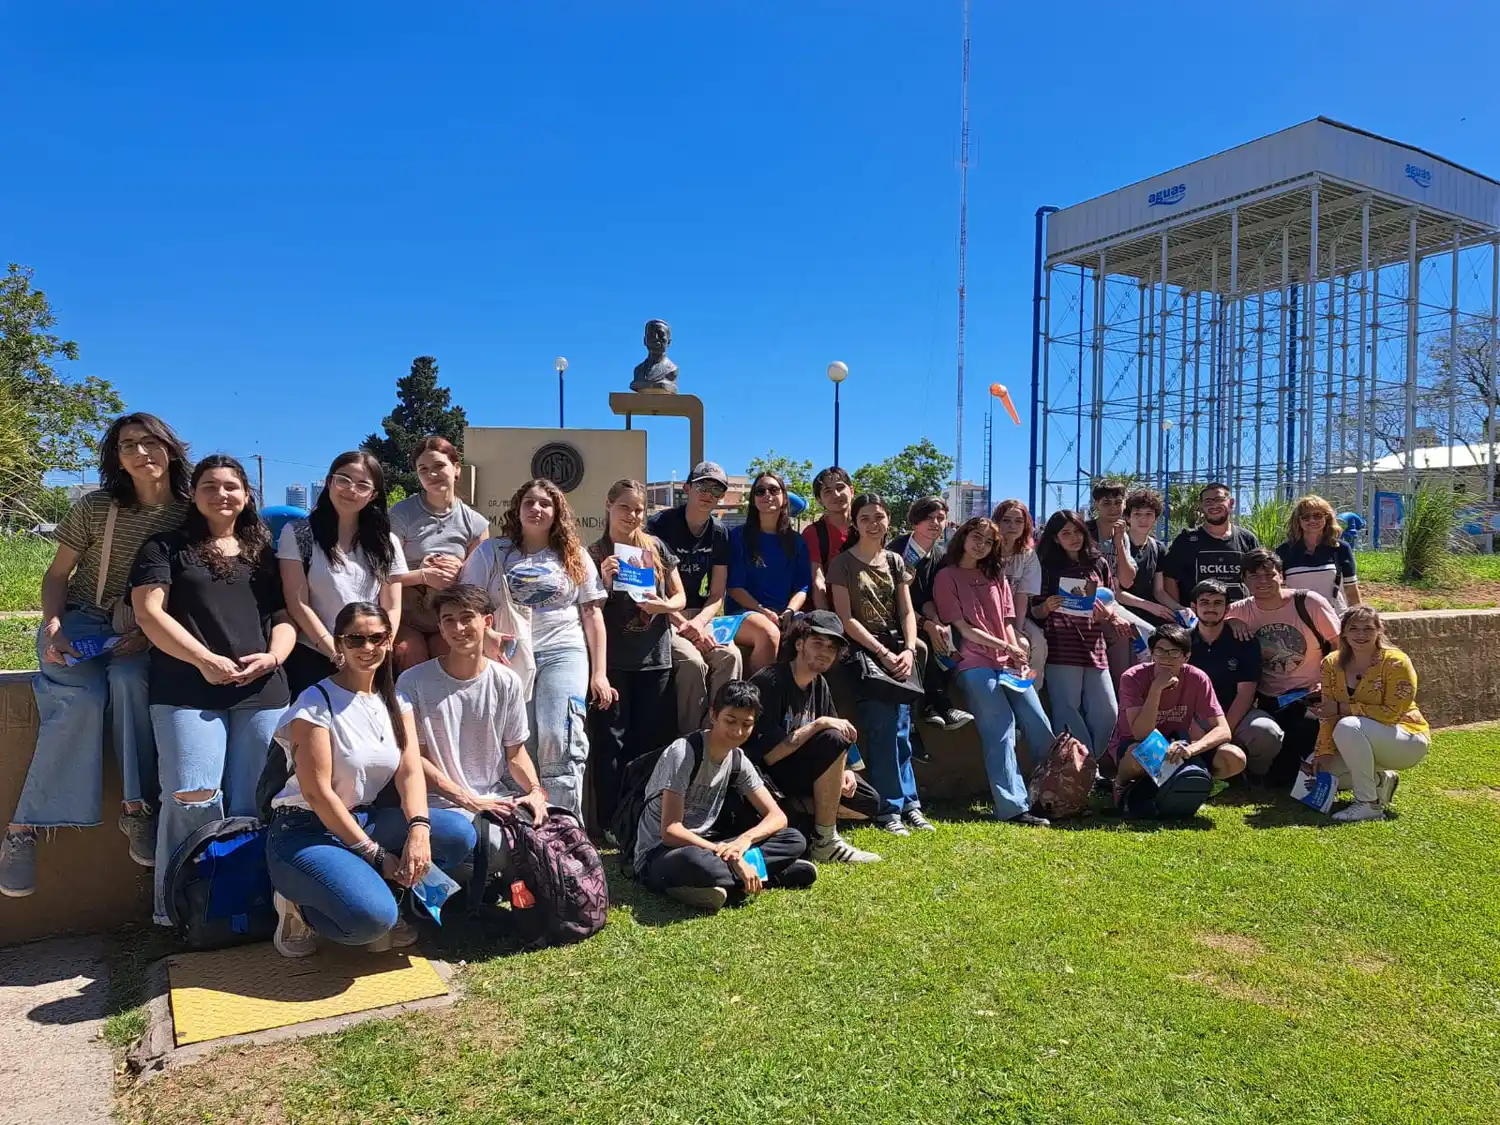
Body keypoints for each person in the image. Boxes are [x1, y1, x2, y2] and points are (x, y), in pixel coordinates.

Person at [0, 414, 191, 899]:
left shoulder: (190, 514)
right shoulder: (96, 507)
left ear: (170, 449)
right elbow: (57, 574)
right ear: (116, 458)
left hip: (148, 626)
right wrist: (55, 624)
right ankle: (22, 831)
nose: (141, 452)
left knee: (132, 683)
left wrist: (148, 636)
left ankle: (137, 809)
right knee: (80, 698)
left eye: (151, 442)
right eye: (128, 445)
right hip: (82, 619)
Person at [130, 455, 297, 923]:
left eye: (231, 486)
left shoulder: (262, 551)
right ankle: (180, 909)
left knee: (253, 801)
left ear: (246, 495)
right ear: (194, 494)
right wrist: (203, 660)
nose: (221, 494)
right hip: (187, 689)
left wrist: (274, 656)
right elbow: (149, 614)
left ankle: (248, 907)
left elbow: (284, 618)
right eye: (210, 485)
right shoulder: (164, 547)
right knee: (194, 795)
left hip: (262, 690)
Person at [265, 602, 476, 958]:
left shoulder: (396, 702)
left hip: (362, 819)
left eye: (376, 638)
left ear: (389, 641)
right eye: (356, 639)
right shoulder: (315, 703)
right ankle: (301, 905)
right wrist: (376, 855)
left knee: (456, 834)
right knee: (370, 921)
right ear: (339, 644)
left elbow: (410, 770)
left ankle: (380, 891)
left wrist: (419, 829)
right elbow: (317, 794)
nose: (367, 648)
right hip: (305, 830)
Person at [459, 478, 610, 821]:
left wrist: (599, 672)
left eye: (545, 503)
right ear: (517, 508)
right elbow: (465, 603)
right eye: (529, 502)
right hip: (509, 654)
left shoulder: (574, 555)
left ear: (557, 513)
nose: (536, 509)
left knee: (561, 736)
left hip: (563, 650)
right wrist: (487, 637)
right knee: (519, 741)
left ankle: (564, 828)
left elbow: (592, 613)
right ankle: (525, 826)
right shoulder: (491, 552)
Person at [397, 584, 549, 880]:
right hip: (438, 804)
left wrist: (534, 791)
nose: (458, 628)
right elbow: (415, 759)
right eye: (448, 620)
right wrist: (468, 800)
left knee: (549, 827)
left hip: (493, 798)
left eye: (467, 617)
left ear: (487, 622)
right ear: (439, 627)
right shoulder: (413, 682)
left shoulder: (506, 681)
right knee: (493, 848)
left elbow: (516, 754)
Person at [633, 680, 817, 913]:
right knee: (695, 862)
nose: (737, 732)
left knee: (794, 839)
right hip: (664, 852)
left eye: (746, 724)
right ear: (713, 715)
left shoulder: (738, 759)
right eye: (730, 721)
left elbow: (777, 817)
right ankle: (765, 874)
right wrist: (728, 856)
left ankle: (721, 883)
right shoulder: (684, 752)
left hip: (714, 846)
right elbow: (671, 831)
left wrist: (743, 842)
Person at [933, 517, 1054, 826]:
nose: (981, 545)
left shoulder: (996, 575)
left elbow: (1009, 622)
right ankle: (1012, 807)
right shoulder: (946, 576)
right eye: (977, 536)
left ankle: (1051, 795)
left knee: (1038, 723)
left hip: (1008, 663)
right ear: (963, 536)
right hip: (973, 663)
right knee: (1000, 727)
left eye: (988, 542)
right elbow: (963, 628)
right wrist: (1004, 645)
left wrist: (1018, 653)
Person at [827, 493, 933, 836]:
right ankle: (889, 809)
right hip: (865, 653)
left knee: (902, 730)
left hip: (897, 650)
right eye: (866, 518)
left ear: (889, 520)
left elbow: (906, 611)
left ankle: (911, 803)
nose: (874, 523)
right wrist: (883, 653)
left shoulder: (894, 561)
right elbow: (845, 619)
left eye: (879, 516)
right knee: (882, 728)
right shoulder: (842, 564)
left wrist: (908, 651)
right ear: (855, 525)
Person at [746, 612, 882, 864]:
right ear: (799, 644)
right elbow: (770, 755)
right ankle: (825, 840)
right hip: (768, 778)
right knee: (830, 735)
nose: (825, 652)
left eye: (832, 648)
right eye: (817, 643)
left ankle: (799, 815)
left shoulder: (819, 685)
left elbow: (839, 740)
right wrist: (818, 724)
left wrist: (845, 771)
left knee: (868, 802)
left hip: (804, 775)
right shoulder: (771, 681)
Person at [588, 479, 686, 829]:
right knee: (610, 746)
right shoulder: (595, 552)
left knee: (652, 745)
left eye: (639, 509)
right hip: (613, 664)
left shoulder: (656, 547)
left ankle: (647, 818)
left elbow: (680, 598)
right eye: (625, 507)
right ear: (609, 505)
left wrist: (664, 606)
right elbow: (586, 607)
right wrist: (602, 581)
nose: (632, 515)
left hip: (655, 659)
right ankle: (610, 822)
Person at [278, 451, 406, 697]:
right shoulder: (298, 533)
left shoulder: (386, 543)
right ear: (329, 482)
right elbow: (298, 603)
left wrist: (379, 646)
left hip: (370, 657)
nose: (351, 490)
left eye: (362, 485)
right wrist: (336, 652)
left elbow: (392, 605)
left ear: (373, 495)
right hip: (315, 656)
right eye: (343, 480)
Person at [647, 461, 759, 732]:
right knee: (693, 662)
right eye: (702, 486)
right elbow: (648, 589)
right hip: (663, 615)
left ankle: (722, 731)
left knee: (730, 656)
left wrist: (698, 624)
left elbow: (717, 593)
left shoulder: (719, 533)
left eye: (716, 489)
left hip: (700, 616)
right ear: (687, 488)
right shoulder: (659, 525)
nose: (708, 493)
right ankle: (692, 738)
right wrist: (683, 624)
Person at [1226, 548, 1340, 781]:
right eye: (1254, 576)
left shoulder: (1308, 603)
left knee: (1307, 738)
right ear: (1244, 580)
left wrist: (1327, 684)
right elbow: (1206, 624)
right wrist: (1231, 622)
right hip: (1269, 700)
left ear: (1282, 575)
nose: (1263, 581)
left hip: (1310, 695)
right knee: (1278, 772)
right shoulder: (1239, 610)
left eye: (1269, 574)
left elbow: (1340, 646)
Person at [1313, 606, 1428, 823]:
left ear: (1379, 631)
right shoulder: (1331, 663)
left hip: (1405, 739)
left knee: (1347, 725)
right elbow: (1328, 712)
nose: (1361, 634)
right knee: (1320, 770)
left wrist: (1343, 709)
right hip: (1360, 736)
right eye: (1353, 628)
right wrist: (1323, 750)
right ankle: (1380, 780)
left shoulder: (1396, 662)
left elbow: (1392, 714)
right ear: (1344, 633)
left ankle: (1367, 804)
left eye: (1368, 628)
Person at [389, 436, 490, 671]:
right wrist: (423, 575)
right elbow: (382, 575)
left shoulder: (475, 524)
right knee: (408, 653)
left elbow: (479, 584)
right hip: (406, 616)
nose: (431, 474)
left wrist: (459, 572)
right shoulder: (401, 514)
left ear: (456, 469)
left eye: (438, 466)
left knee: (452, 658)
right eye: (423, 469)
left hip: (451, 617)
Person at [1108, 625, 1240, 790]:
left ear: (1186, 657)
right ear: (1152, 653)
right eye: (1160, 651)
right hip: (1136, 744)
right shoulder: (1132, 678)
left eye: (1174, 652)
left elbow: (1223, 730)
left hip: (1178, 743)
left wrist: (1190, 750)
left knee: (1234, 756)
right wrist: (1156, 689)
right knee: (1140, 753)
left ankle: (1198, 785)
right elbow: (1141, 734)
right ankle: (1121, 786)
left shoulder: (1197, 678)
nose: (1166, 658)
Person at [1030, 510, 1119, 757]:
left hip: (1094, 646)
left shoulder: (1098, 563)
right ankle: (1081, 769)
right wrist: (1046, 606)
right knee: (1067, 709)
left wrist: (1108, 613)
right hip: (1061, 646)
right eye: (1066, 533)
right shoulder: (1045, 567)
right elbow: (1033, 611)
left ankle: (1091, 763)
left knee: (1107, 711)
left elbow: (1111, 598)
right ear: (1056, 538)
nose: (1074, 537)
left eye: (1078, 531)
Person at [1187, 580, 1283, 781]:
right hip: (1194, 717)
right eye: (1204, 602)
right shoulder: (1182, 641)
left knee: (1267, 732)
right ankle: (1205, 774)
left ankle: (1254, 776)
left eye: (1217, 603)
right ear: (1193, 607)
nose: (1211, 608)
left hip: (1235, 713)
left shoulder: (1244, 641)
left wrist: (1223, 733)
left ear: (1227, 608)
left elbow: (1245, 693)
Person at [891, 496, 971, 731]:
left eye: (940, 518)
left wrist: (935, 622)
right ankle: (927, 708)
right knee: (923, 642)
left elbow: (929, 597)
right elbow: (894, 600)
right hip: (896, 616)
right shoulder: (897, 551)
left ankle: (941, 705)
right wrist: (926, 624)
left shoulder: (940, 556)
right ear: (916, 521)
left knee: (948, 636)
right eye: (929, 518)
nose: (935, 523)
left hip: (922, 615)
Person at [726, 472, 812, 661]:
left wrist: (789, 612)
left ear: (784, 497)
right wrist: (763, 610)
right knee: (770, 634)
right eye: (760, 491)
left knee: (814, 637)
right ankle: (759, 690)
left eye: (773, 489)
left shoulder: (797, 542)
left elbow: (802, 587)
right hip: (744, 614)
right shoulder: (738, 537)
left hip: (784, 612)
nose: (767, 495)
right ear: (753, 500)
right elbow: (734, 587)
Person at [1162, 483, 1260, 604]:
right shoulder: (1186, 540)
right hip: (1198, 618)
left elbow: (1257, 577)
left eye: (1219, 499)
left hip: (1238, 617)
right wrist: (1180, 612)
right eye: (1207, 501)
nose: (1213, 505)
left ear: (1231, 503)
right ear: (1201, 506)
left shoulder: (1247, 539)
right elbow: (1170, 579)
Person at [994, 499, 1048, 685]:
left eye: (1018, 521)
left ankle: (1033, 689)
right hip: (988, 614)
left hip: (1015, 613)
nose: (1012, 526)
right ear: (997, 522)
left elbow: (1022, 594)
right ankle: (1010, 686)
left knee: (1038, 643)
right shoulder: (987, 549)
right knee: (1020, 645)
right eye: (1007, 520)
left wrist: (1017, 628)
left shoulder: (1027, 554)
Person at [1275, 495, 1361, 612]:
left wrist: (1358, 620)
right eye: (1305, 517)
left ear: (1327, 518)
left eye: (1317, 515)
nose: (1312, 520)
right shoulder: (1284, 551)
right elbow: (1277, 591)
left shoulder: (1340, 548)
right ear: (1298, 521)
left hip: (1335, 618)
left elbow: (1351, 591)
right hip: (1298, 620)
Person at [1114, 489, 1176, 624]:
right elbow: (1116, 592)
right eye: (1137, 514)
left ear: (1155, 517)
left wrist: (1180, 609)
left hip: (1150, 613)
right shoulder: (1117, 544)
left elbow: (1159, 591)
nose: (1143, 519)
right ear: (1128, 518)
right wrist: (1149, 606)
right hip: (1121, 615)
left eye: (1149, 514)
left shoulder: (1158, 548)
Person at [804, 467, 854, 611]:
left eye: (840, 487)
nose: (836, 495)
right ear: (819, 500)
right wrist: (828, 621)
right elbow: (817, 580)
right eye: (827, 491)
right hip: (830, 610)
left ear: (851, 490)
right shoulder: (813, 533)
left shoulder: (866, 527)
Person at [1085, 480, 1132, 589]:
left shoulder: (1123, 536)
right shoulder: (1084, 532)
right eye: (1106, 503)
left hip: (1109, 597)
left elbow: (1127, 582)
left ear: (1124, 504)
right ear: (1096, 504)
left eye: (1118, 502)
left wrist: (1119, 544)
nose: (1113, 508)